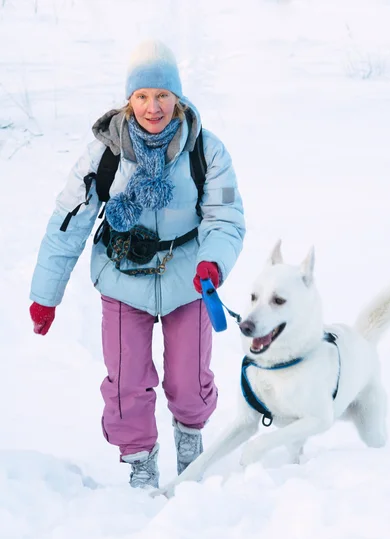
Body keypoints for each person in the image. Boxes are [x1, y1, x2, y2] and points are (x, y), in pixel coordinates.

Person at [29, 40, 245, 489]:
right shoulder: (106, 153)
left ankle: (190, 443)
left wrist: (212, 264)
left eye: (163, 95)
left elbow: (225, 217)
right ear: (128, 99)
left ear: (178, 99)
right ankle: (141, 464)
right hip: (122, 274)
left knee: (189, 380)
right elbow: (67, 221)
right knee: (126, 383)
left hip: (188, 276)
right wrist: (45, 297)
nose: (153, 107)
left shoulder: (206, 150)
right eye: (143, 96)